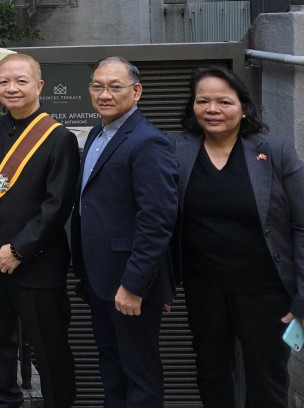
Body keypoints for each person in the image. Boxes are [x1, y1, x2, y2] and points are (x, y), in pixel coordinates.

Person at [171, 66, 304, 408]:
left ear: (243, 107)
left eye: (224, 101)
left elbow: (302, 226)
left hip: (266, 292)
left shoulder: (274, 151)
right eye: (203, 101)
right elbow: (160, 221)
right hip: (204, 289)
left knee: (267, 380)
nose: (212, 109)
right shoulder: (176, 150)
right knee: (211, 374)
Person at [0, 53, 79, 408]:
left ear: (39, 86)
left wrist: (18, 249)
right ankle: (1, 401)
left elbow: (57, 206)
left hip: (37, 263)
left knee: (49, 346)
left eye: (21, 81)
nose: (11, 88)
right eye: (4, 82)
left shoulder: (59, 138)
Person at [72, 56, 177, 408]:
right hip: (100, 279)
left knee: (139, 375)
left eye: (115, 87)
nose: (105, 94)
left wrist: (134, 286)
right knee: (112, 368)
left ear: (137, 91)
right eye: (97, 86)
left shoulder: (148, 141)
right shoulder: (97, 133)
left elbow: (157, 220)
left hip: (129, 284)